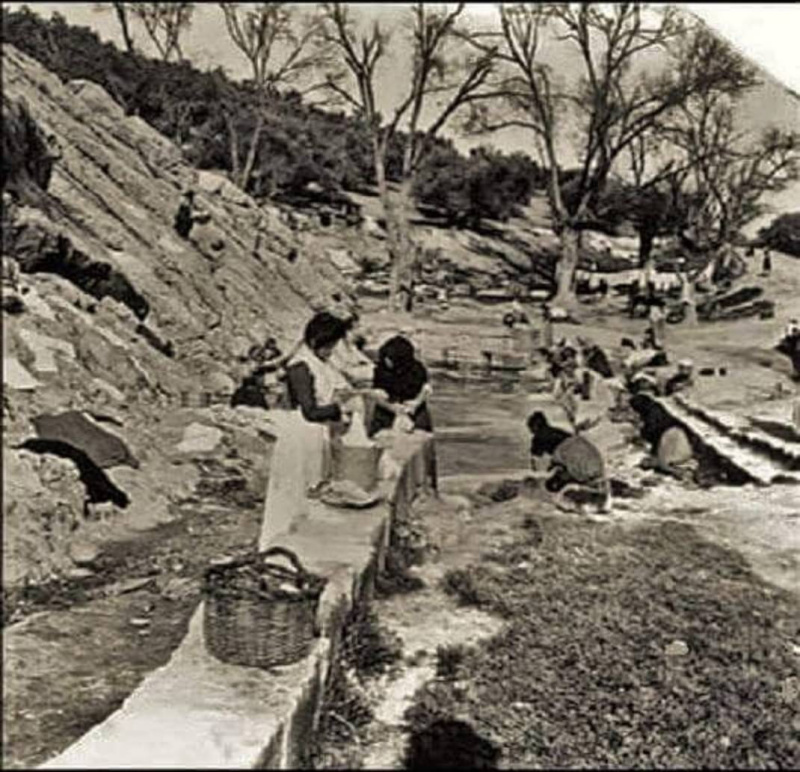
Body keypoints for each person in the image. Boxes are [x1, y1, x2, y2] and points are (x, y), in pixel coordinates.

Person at [258, 312, 354, 549]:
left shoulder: (319, 363)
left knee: (312, 490)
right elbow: (309, 410)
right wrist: (337, 409)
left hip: (315, 434)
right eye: (328, 346)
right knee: (293, 492)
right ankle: (278, 546)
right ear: (315, 342)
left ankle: (303, 546)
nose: (331, 351)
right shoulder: (300, 366)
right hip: (300, 434)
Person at [369, 335, 433, 437]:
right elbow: (377, 394)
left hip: (414, 408)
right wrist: (392, 407)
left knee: (420, 436)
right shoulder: (381, 369)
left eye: (390, 358)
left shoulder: (418, 368)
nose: (387, 361)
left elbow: (425, 389)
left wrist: (415, 403)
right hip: (388, 408)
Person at [629, 394, 695, 479]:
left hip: (673, 442)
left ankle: (681, 473)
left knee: (663, 463)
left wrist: (639, 428)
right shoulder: (655, 412)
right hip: (673, 440)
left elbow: (651, 434)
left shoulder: (653, 417)